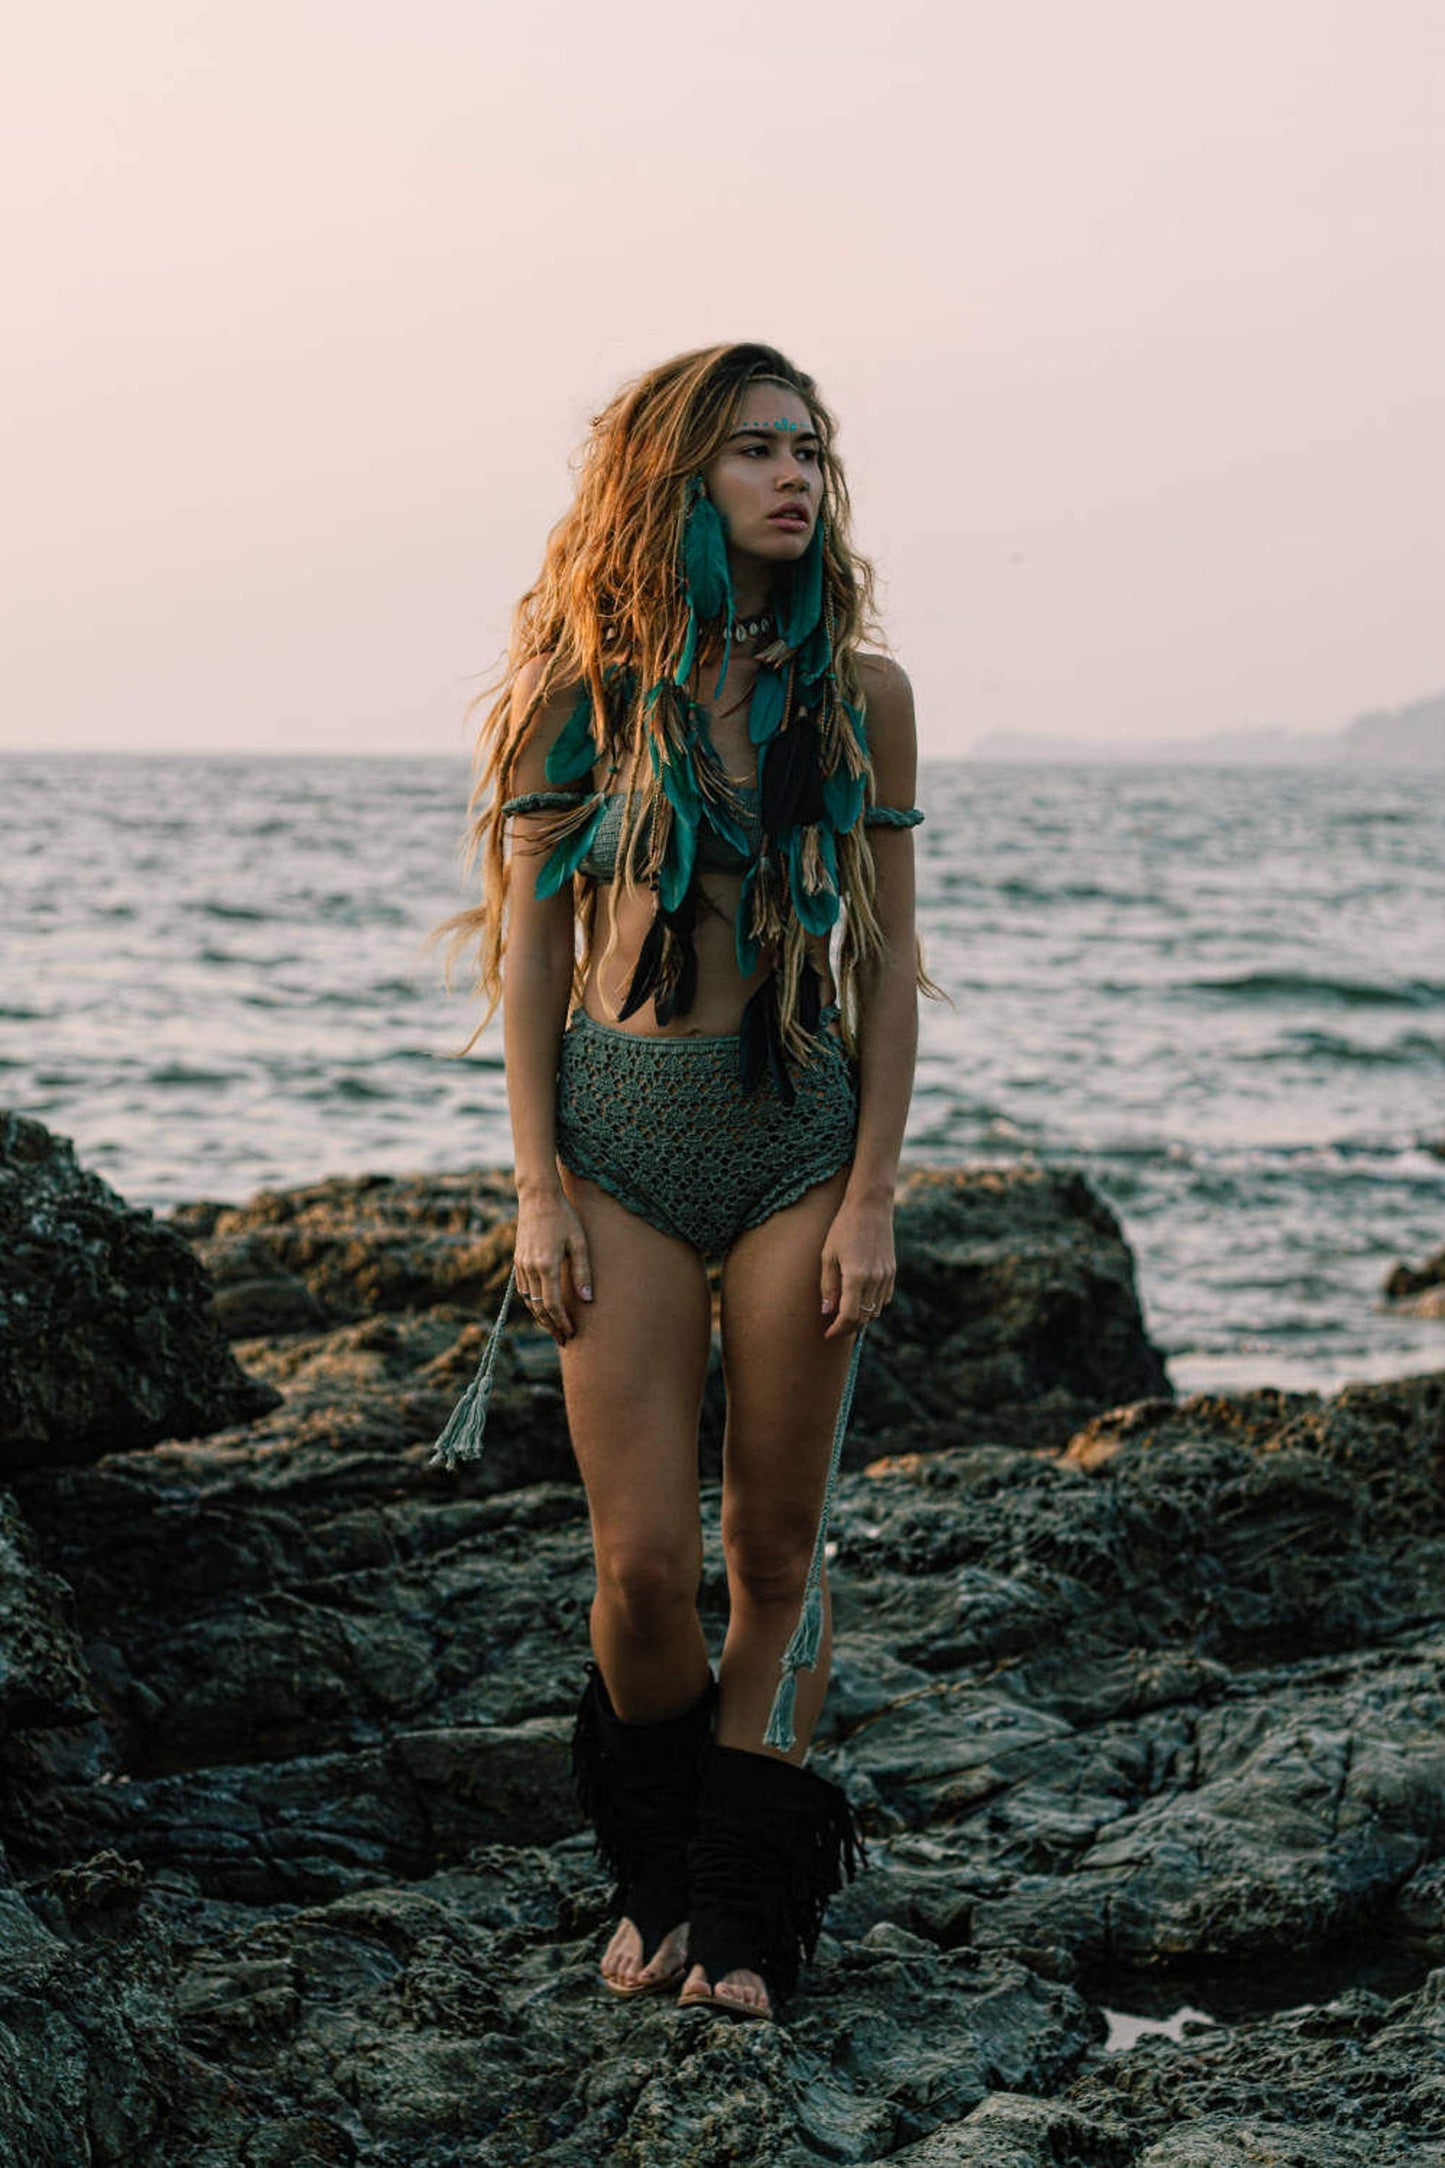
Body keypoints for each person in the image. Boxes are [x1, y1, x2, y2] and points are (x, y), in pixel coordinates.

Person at [427, 342, 933, 2022]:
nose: (794, 475)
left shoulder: (859, 696)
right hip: (620, 1142)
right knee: (643, 1563)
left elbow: (887, 959)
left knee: (777, 1549)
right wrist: (536, 1189)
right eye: (752, 452)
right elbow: (531, 957)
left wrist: (870, 1194)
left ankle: (744, 1915)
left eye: (808, 448)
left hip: (793, 1134)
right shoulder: (575, 692)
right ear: (675, 483)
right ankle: (652, 1866)